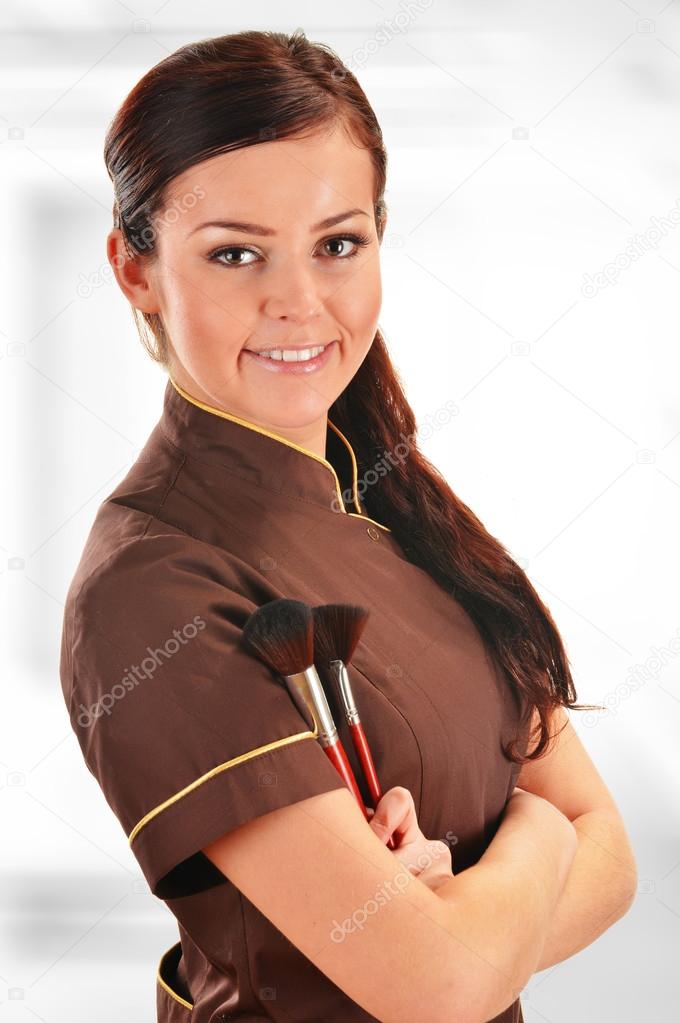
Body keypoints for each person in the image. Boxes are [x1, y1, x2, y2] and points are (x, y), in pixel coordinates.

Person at [59, 28, 638, 1023]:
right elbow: (438, 988)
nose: (298, 303)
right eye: (234, 253)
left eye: (337, 245)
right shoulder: (151, 589)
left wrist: (469, 919)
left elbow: (614, 861)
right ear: (135, 269)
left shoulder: (396, 503)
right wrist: (540, 837)